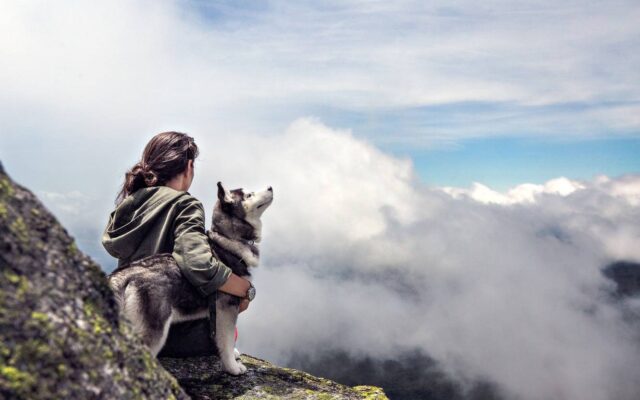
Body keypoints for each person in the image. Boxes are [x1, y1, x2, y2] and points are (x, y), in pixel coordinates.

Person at [101, 131, 252, 357]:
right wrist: (244, 289)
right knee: (228, 331)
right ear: (189, 166)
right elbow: (197, 262)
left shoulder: (129, 205)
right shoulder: (185, 204)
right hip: (172, 334)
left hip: (129, 326)